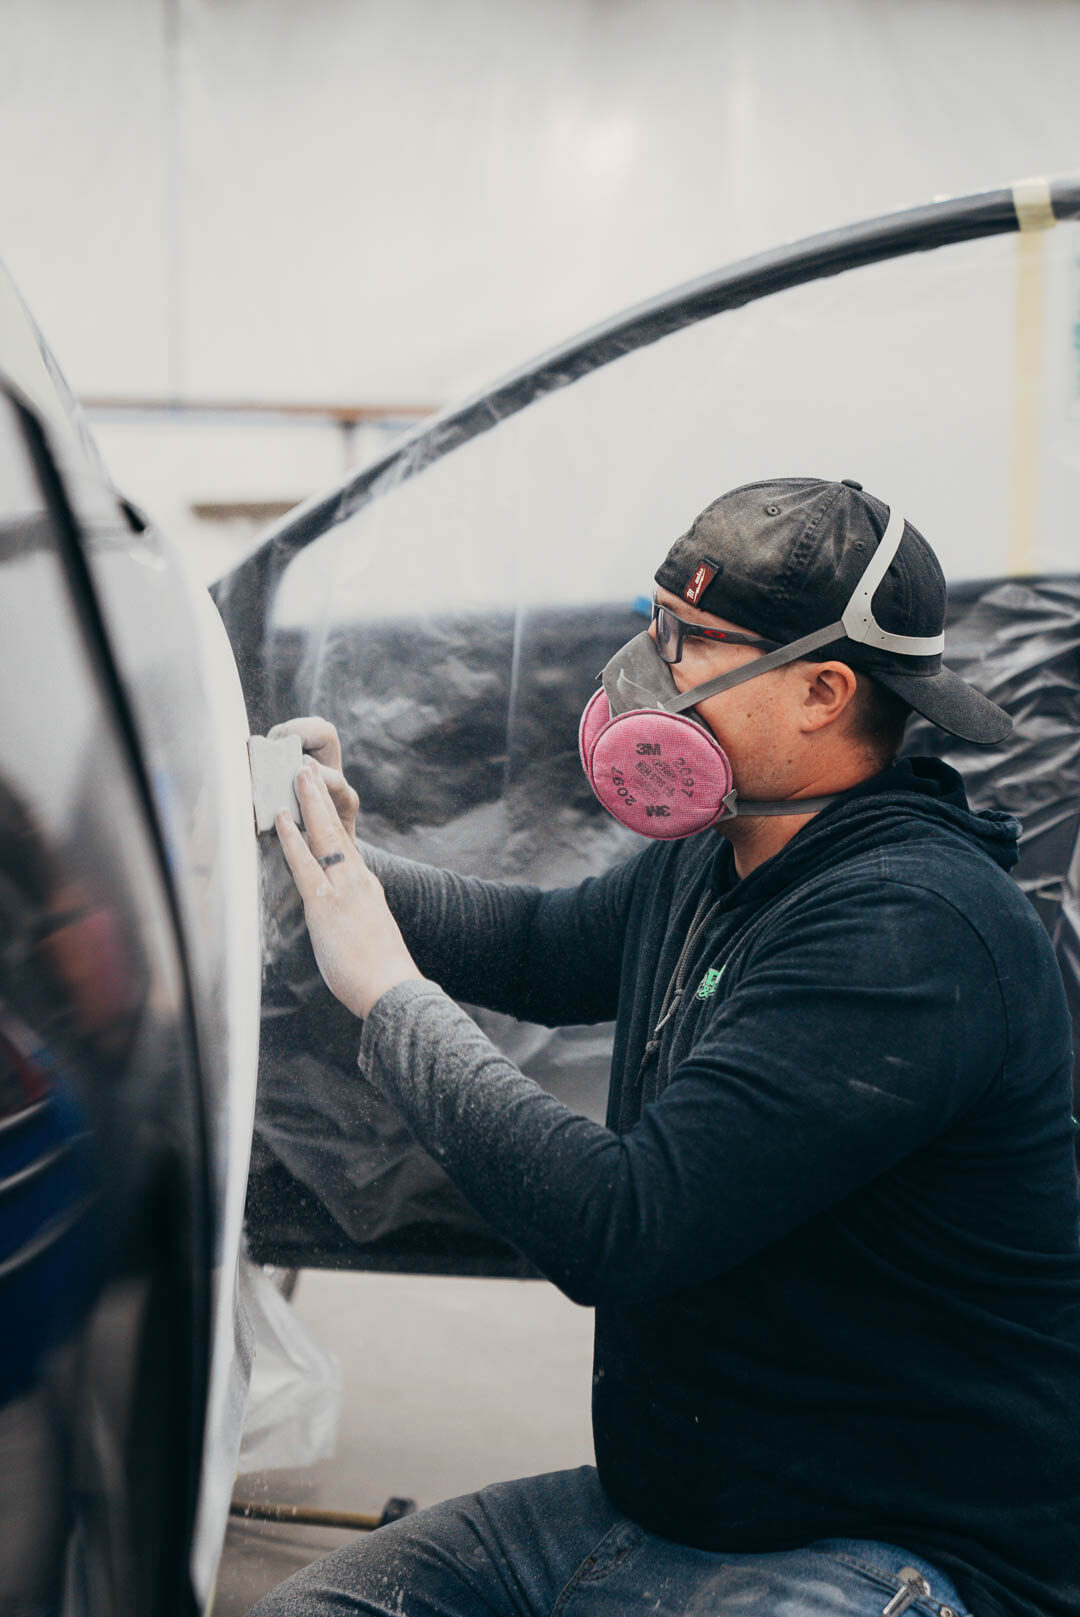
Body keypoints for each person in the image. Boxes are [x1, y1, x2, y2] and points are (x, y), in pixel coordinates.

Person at [251, 478, 1080, 1617]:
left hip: (884, 1553)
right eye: (656, 624)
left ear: (823, 690)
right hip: (665, 1514)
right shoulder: (730, 847)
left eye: (686, 642)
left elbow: (619, 1224)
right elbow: (543, 948)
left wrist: (387, 996)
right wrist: (332, 853)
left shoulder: (911, 932)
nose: (642, 670)